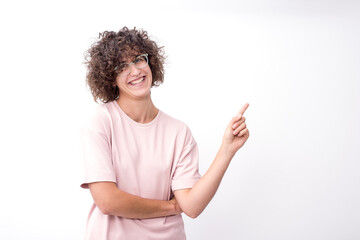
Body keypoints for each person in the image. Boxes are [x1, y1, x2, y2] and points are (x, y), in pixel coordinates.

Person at [80, 27, 250, 240]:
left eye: (138, 60)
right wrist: (170, 207)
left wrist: (227, 150)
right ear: (110, 77)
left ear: (150, 62)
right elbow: (107, 201)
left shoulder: (178, 132)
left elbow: (191, 207)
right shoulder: (101, 121)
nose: (134, 71)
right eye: (122, 66)